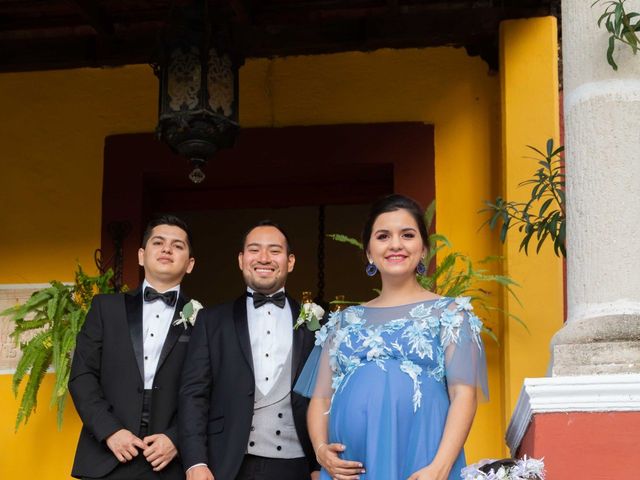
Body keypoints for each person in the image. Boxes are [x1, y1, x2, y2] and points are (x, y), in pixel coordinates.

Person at [299, 194, 489, 480]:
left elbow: (463, 395)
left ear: (424, 249)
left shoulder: (450, 314)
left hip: (422, 461)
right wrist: (321, 450)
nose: (396, 244)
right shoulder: (342, 322)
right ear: (368, 252)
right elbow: (321, 399)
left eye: (408, 235)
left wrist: (440, 467)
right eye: (383, 236)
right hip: (349, 468)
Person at [178, 220, 320, 480]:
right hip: (226, 464)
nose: (264, 258)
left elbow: (325, 397)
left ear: (290, 261)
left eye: (274, 250)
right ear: (241, 260)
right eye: (254, 250)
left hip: (297, 465)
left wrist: (319, 465)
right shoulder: (211, 321)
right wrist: (195, 462)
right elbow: (193, 394)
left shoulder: (315, 325)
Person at [69, 215, 196, 480]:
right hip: (107, 456)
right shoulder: (105, 308)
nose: (167, 249)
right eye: (158, 242)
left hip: (170, 461)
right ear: (141, 255)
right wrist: (110, 431)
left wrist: (176, 438)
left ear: (190, 264)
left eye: (178, 245)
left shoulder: (205, 319)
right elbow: (82, 375)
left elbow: (209, 389)